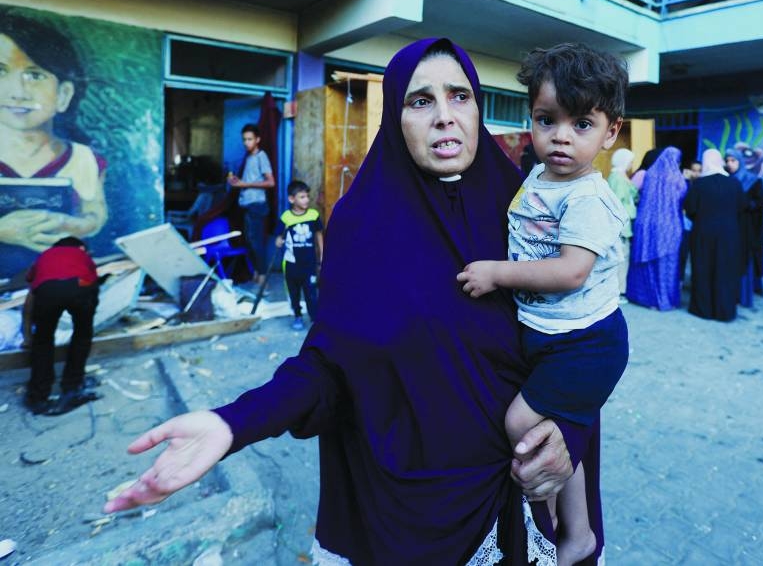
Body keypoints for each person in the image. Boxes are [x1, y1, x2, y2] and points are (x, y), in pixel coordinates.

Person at [105, 39, 600, 565]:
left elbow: (589, 338)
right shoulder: (361, 227)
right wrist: (233, 424)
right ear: (394, 119)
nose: (444, 116)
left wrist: (567, 431)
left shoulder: (534, 210)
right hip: (409, 506)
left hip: (528, 492)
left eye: (460, 96)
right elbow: (331, 367)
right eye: (420, 101)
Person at [457, 43, 628, 566]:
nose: (560, 136)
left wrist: (496, 274)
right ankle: (572, 529)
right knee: (554, 433)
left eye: (582, 124)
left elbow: (570, 271)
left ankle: (552, 525)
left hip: (586, 344)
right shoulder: (538, 177)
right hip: (554, 337)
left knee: (522, 424)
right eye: (546, 119)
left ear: (611, 132)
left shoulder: (587, 198)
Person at [0, 11, 108, 277]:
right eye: (1, 71)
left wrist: (68, 225)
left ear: (63, 94)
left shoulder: (84, 159)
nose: (17, 92)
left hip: (60, 285)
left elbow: (95, 215)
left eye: (35, 75)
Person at [21, 237, 102, 415]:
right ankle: (72, 387)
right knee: (82, 336)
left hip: (48, 290)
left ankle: (38, 396)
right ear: (81, 248)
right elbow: (94, 282)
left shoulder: (45, 256)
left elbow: (31, 293)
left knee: (43, 341)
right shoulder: (83, 256)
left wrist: (28, 336)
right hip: (81, 286)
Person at [683, 149, 745, 322]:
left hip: (703, 233)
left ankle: (703, 309)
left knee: (703, 268)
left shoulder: (699, 184)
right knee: (725, 270)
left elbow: (690, 209)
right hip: (729, 234)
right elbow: (742, 207)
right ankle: (724, 311)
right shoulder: (734, 183)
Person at [626, 146, 687, 310]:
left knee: (646, 263)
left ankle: (644, 298)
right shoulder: (678, 179)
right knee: (667, 263)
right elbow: (683, 199)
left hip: (646, 223)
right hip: (670, 225)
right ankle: (665, 299)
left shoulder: (649, 175)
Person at [227, 123, 275, 287]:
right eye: (244, 140)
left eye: (250, 139)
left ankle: (262, 276)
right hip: (248, 205)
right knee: (249, 241)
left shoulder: (261, 156)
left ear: (257, 140)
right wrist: (237, 182)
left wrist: (244, 184)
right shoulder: (248, 158)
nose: (246, 143)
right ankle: (256, 272)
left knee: (256, 242)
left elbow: (270, 182)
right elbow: (249, 181)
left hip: (257, 205)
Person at [275, 180, 324, 331]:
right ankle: (297, 316)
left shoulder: (313, 215)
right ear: (291, 199)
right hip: (291, 264)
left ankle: (315, 319)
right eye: (302, 197)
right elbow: (278, 238)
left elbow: (319, 236)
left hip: (309, 263)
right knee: (294, 293)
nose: (306, 200)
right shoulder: (286, 218)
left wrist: (322, 255)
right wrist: (278, 241)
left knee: (311, 292)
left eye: (307, 196)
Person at [725, 149, 763, 306]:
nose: (730, 164)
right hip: (730, 227)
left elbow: (760, 203)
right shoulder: (726, 180)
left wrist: (746, 205)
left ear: (740, 162)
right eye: (727, 161)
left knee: (744, 261)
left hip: (746, 229)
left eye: (733, 161)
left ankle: (743, 296)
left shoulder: (753, 181)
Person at [607, 148, 638, 302]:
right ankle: (618, 292)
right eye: (630, 161)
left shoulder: (617, 176)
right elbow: (618, 204)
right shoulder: (618, 179)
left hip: (621, 225)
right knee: (621, 257)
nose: (631, 164)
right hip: (621, 226)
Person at [677, 159, 702, 285]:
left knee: (698, 256)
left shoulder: (703, 185)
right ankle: (680, 280)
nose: (696, 174)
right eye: (694, 170)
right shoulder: (684, 184)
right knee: (683, 254)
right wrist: (685, 180)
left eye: (699, 171)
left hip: (699, 226)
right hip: (685, 226)